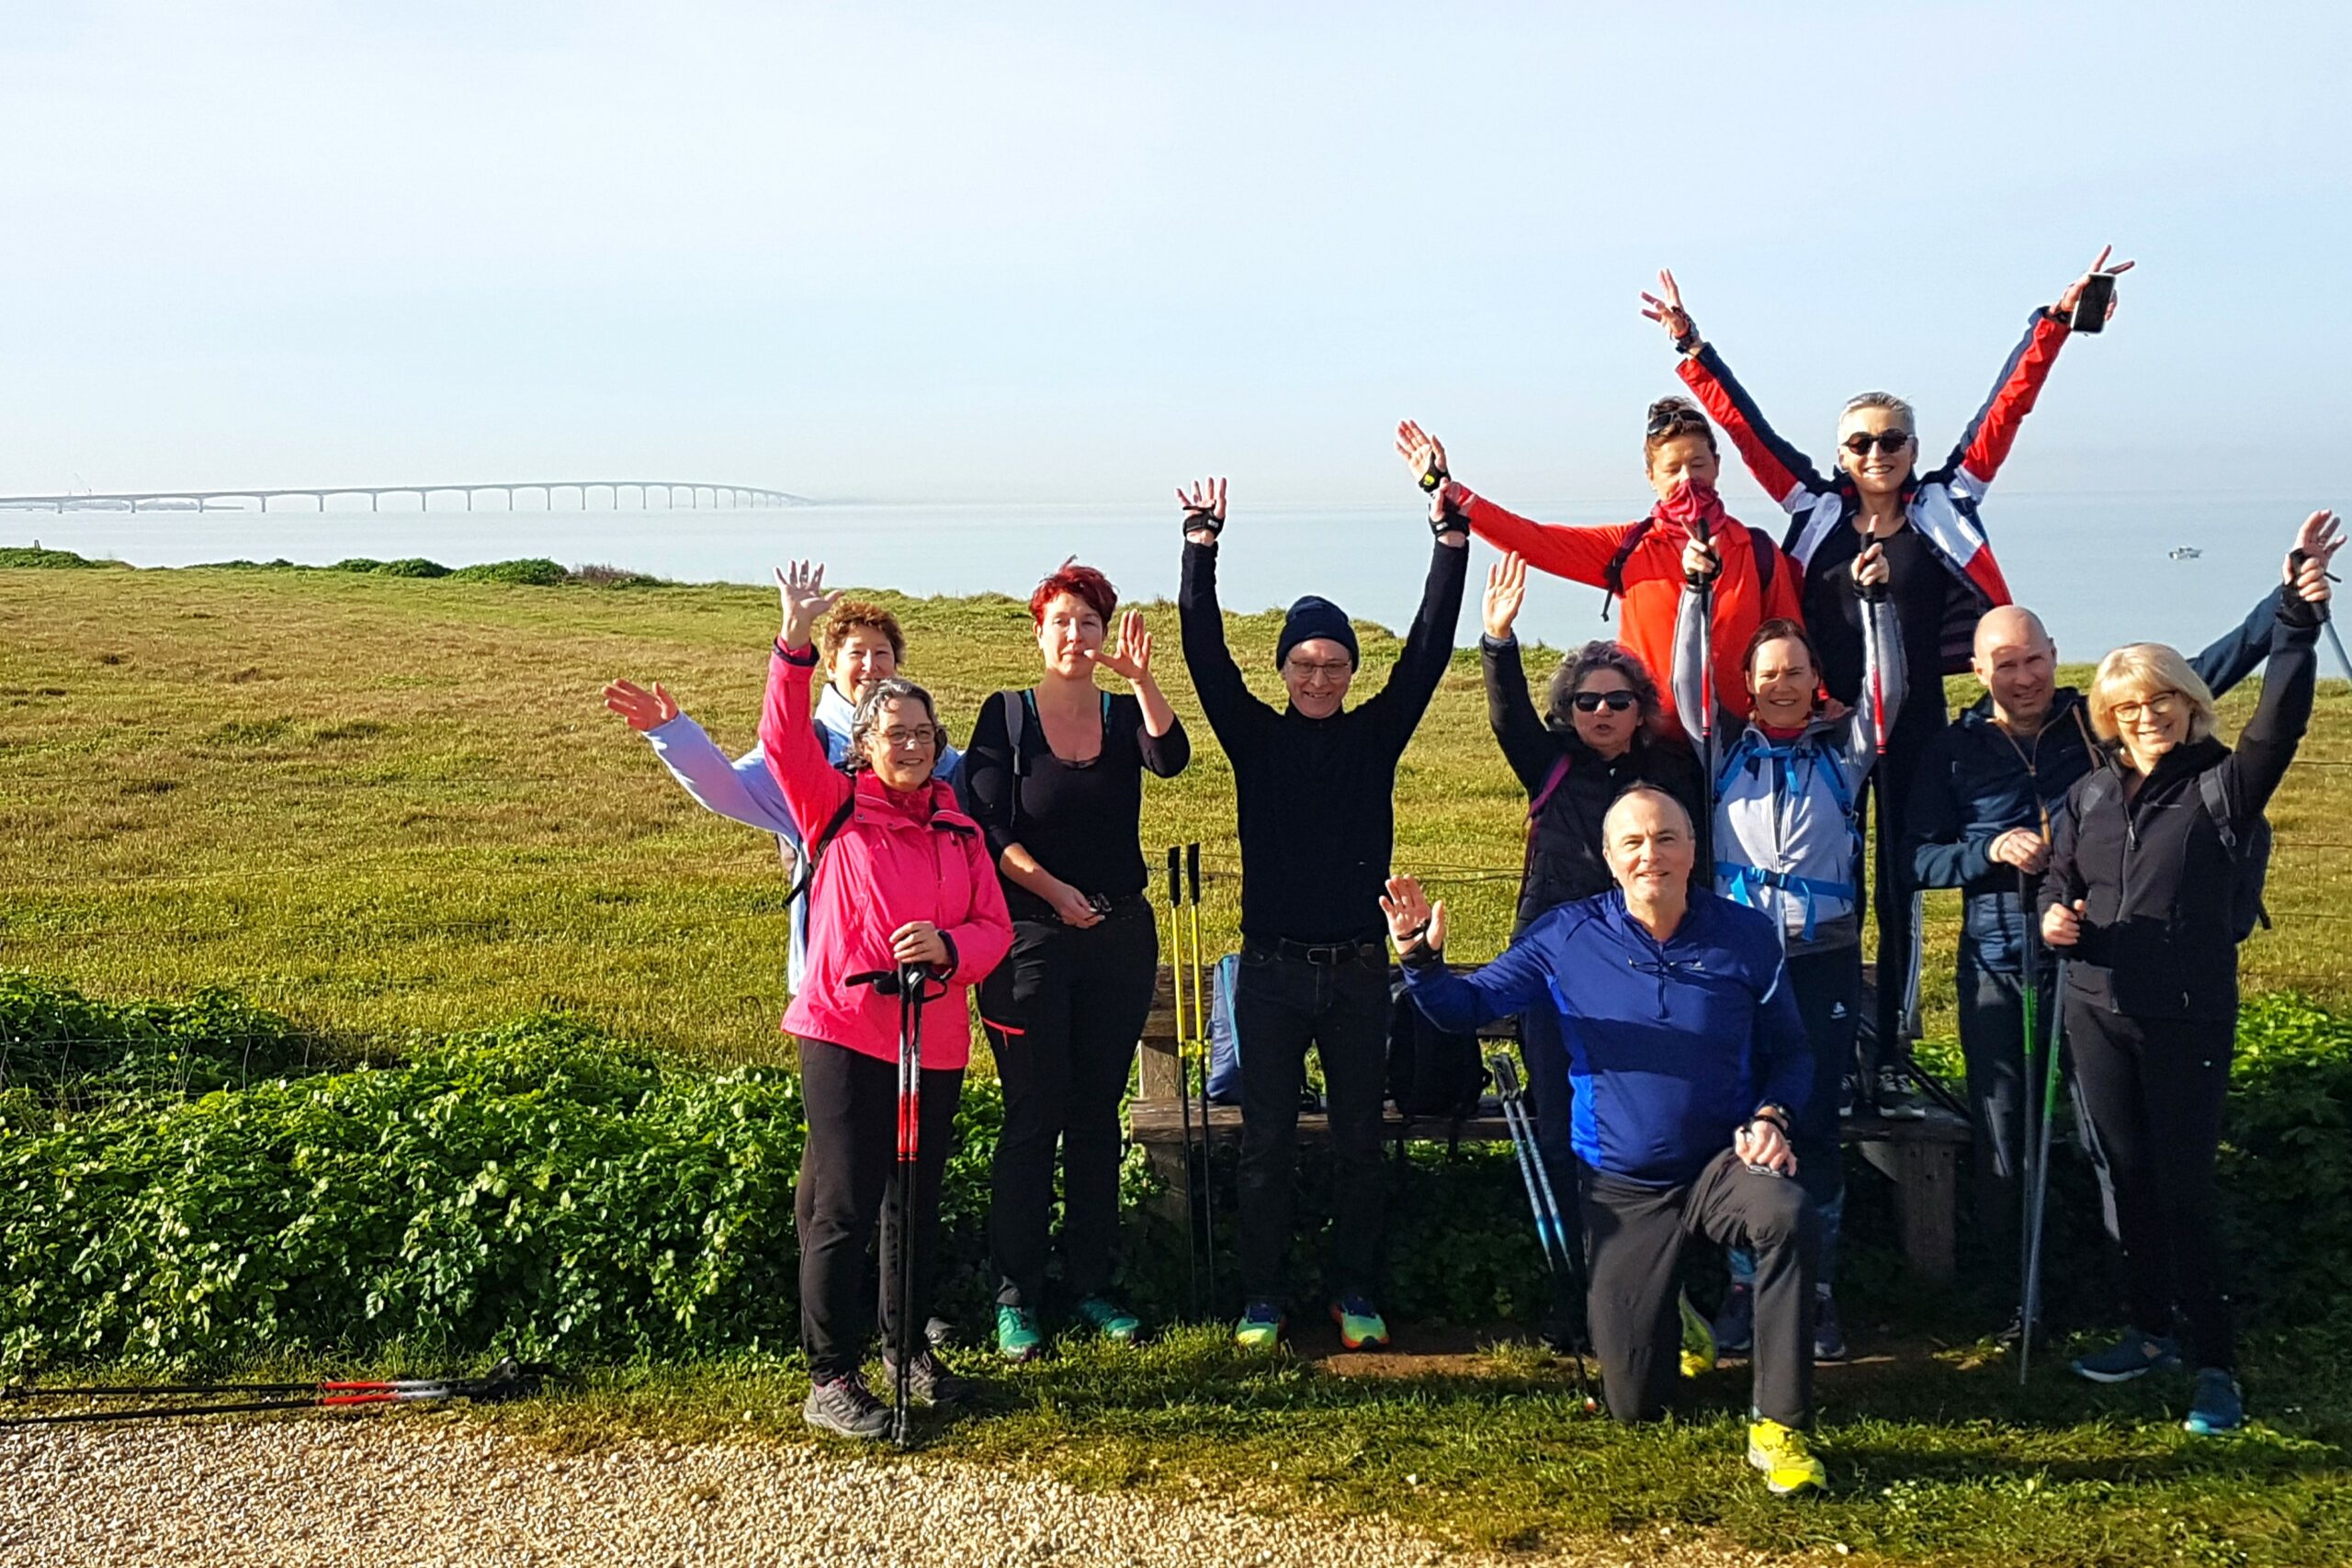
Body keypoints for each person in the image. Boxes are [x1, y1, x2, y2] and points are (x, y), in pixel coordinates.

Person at [1646, 251, 2135, 1118]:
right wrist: (1692, 346)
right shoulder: (1812, 505)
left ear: (1914, 448)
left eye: (1893, 440)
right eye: (1860, 442)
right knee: (1821, 872)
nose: (1877, 453)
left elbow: (2006, 409)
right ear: (1840, 452)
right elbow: (1748, 430)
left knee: (1903, 879)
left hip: (1913, 722)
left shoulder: (1950, 500)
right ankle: (1802, 1023)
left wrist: (2051, 323)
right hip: (1823, 723)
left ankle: (1892, 1033)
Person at [1905, 520, 2323, 1332]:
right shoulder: (1952, 753)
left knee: (2111, 1141)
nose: (2024, 677)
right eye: (2005, 664)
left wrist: (2290, 598)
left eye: (2034, 658)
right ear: (1977, 669)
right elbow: (1917, 860)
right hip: (2000, 958)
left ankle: (2131, 1298)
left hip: (2103, 961)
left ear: (2055, 653)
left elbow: (2213, 665)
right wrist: (1987, 849)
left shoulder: (2099, 727)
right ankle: (2020, 1301)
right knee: (2006, 1137)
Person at [1383, 785, 1827, 1497]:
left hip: (1723, 1162)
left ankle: (1780, 1424)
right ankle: (1672, 1310)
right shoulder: (1564, 935)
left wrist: (1773, 1117)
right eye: (1634, 842)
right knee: (1634, 1406)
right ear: (1611, 859)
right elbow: (1464, 1009)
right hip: (1623, 1183)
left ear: (1692, 849)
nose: (1651, 853)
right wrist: (1421, 963)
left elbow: (1794, 1053)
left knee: (1787, 1213)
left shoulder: (1745, 935)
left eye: (1667, 838)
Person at [2038, 513, 2337, 1438]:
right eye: (2127, 706)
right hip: (2095, 1007)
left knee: (2183, 1190)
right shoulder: (2087, 792)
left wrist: (2292, 619)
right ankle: (2146, 1330)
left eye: (2160, 700)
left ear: (2188, 701)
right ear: (2108, 718)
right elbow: (2061, 872)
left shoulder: (2222, 785)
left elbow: (2281, 721)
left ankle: (2217, 1367)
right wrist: (2053, 911)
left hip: (2185, 1016)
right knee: (2125, 1177)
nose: (2145, 716)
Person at [1177, 472, 1469, 1353]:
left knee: (1358, 1147)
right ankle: (1262, 1298)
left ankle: (1356, 1292)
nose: (1317, 676)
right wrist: (1201, 550)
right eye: (1303, 663)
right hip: (1267, 973)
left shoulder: (1376, 734)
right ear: (1283, 670)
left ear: (1351, 671)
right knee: (1264, 1146)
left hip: (1355, 970)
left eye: (1333, 663)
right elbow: (1204, 655)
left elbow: (1427, 649)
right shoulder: (1253, 736)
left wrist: (1448, 545)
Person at [761, 561, 1013, 1440]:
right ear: (864, 743)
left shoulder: (958, 824)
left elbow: (994, 928)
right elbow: (785, 737)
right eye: (892, 731)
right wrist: (794, 644)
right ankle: (830, 1375)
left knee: (914, 1199)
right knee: (842, 1201)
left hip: (932, 1034)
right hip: (844, 1028)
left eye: (921, 732)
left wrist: (951, 948)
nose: (908, 744)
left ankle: (907, 1352)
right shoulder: (831, 805)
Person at [1673, 536, 1902, 1363]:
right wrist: (1696, 594)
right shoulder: (1725, 748)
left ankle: (1819, 1292)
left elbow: (1888, 694)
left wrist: (1878, 608)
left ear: (1815, 683)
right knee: (1744, 1118)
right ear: (1749, 684)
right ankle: (1746, 1282)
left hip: (1823, 959)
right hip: (1740, 961)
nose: (1779, 683)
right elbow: (1686, 692)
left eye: (1794, 672)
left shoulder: (1844, 751)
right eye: (1766, 673)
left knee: (1814, 1122)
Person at [964, 562, 1191, 1361]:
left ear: (1106, 633)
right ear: (1038, 629)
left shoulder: (1125, 711)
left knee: (1096, 1114)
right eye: (1062, 621)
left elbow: (1173, 760)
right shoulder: (1007, 715)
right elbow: (989, 828)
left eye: (1089, 623)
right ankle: (1016, 1293)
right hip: (1029, 937)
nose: (1075, 636)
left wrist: (1147, 680)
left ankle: (1092, 1282)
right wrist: (1057, 894)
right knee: (1033, 1114)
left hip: (1120, 935)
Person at [1478, 548, 1704, 1342]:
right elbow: (1507, 715)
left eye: (1617, 700)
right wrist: (1498, 642)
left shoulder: (1675, 770)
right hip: (1554, 976)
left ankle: (1664, 1294)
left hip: (1651, 974)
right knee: (1560, 1127)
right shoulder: (1552, 763)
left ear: (1642, 707)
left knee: (1655, 1129)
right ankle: (1573, 1297)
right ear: (1567, 709)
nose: (1602, 712)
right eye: (1585, 701)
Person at [601, 600, 964, 991]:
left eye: (882, 654)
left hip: (924, 969)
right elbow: (729, 790)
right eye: (856, 653)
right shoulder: (811, 749)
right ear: (831, 666)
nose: (870, 666)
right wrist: (673, 733)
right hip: (832, 977)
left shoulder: (932, 755)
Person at [1395, 404, 1800, 734]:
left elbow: (1792, 640)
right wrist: (1446, 490)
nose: (1687, 479)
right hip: (1647, 744)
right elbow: (1535, 541)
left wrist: (1815, 702)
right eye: (1672, 469)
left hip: (1741, 745)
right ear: (1651, 477)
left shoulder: (1758, 550)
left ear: (1716, 464)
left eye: (1697, 464)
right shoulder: (1628, 548)